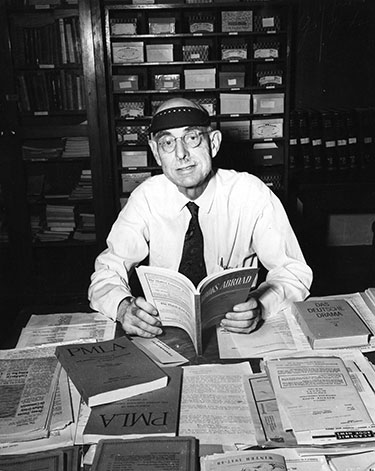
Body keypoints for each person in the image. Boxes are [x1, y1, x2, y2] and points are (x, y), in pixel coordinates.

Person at [88, 97, 312, 338]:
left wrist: (260, 305)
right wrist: (123, 308)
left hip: (235, 330)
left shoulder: (250, 193)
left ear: (213, 143)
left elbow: (293, 271)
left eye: (192, 137)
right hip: (165, 331)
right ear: (156, 152)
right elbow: (107, 270)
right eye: (167, 142)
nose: (181, 154)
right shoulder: (146, 198)